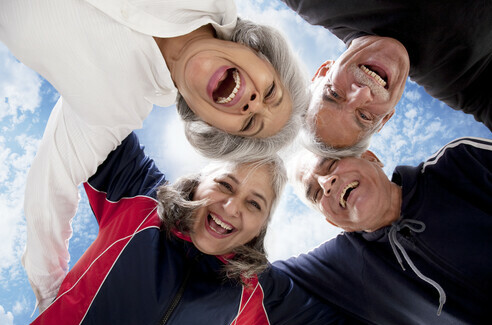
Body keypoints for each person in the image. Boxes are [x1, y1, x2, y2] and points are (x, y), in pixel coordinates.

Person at [0, 0, 308, 311]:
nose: (254, 104)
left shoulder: (113, 111)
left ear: (215, 127)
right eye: (270, 92)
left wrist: (51, 299)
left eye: (249, 124)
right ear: (258, 53)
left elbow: (48, 195)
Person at [30, 132, 349, 324]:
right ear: (199, 182)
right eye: (225, 184)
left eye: (254, 204)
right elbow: (97, 107)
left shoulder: (260, 294)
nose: (232, 207)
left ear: (260, 228)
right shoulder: (142, 200)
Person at [275, 137, 492, 324]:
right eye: (315, 194)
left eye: (331, 164)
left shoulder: (460, 162)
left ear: (371, 158)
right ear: (333, 222)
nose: (326, 183)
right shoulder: (337, 267)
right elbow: (257, 284)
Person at [282, 0, 492, 154]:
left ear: (324, 71)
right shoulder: (460, 81)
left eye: (334, 94)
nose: (362, 92)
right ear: (386, 117)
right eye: (364, 116)